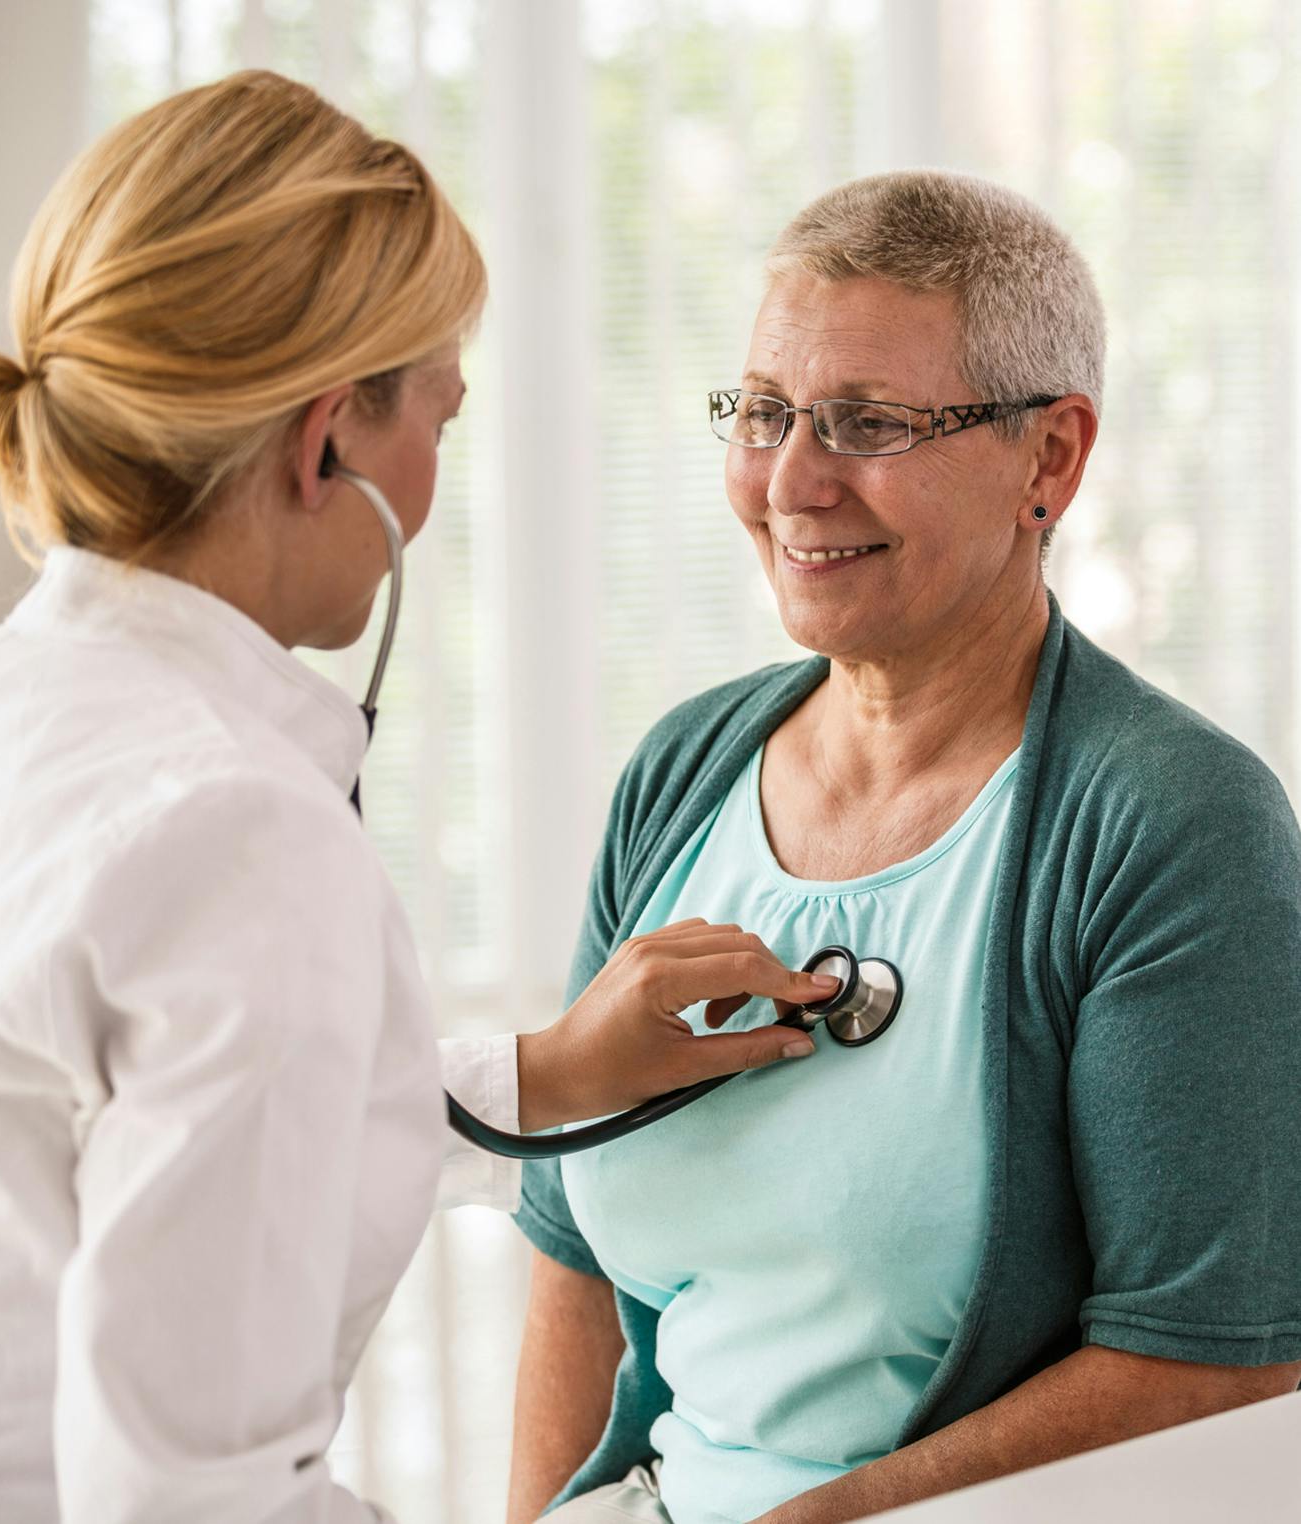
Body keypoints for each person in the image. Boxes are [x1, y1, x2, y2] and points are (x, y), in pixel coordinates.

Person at [0, 71, 842, 1524]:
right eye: (438, 411)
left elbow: (115, 1127)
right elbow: (192, 1504)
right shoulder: (237, 830)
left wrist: (548, 1073)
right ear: (327, 445)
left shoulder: (6, 706)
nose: (438, 466)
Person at [508, 170, 1301, 1524]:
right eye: (763, 414)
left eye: (869, 422)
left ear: (1050, 458)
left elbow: (1216, 1359)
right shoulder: (681, 775)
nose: (794, 482)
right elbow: (569, 1251)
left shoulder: (1173, 828)